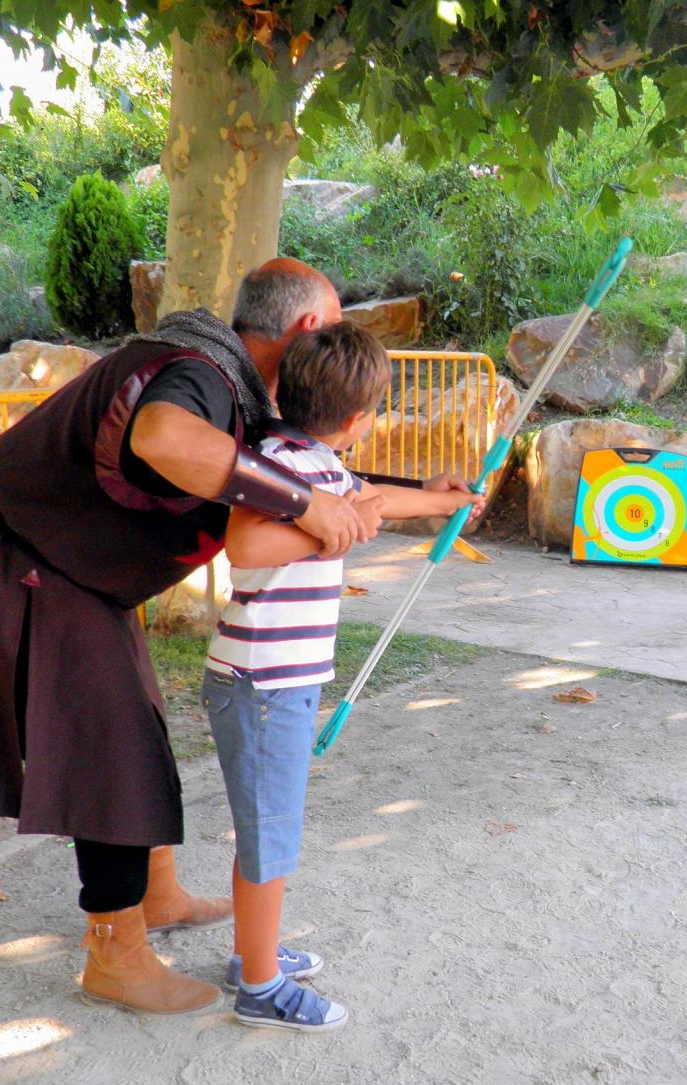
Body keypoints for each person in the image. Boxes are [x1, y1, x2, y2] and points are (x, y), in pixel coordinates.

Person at [0, 260, 470, 1016]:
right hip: (27, 555)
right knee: (111, 750)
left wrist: (427, 497)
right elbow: (164, 438)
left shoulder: (230, 386)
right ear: (306, 328)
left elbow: (328, 485)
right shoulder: (198, 371)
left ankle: (156, 896)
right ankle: (115, 954)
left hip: (68, 565)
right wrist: (305, 509)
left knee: (138, 729)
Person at [202, 321, 481, 1031]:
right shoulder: (284, 466)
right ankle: (260, 988)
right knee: (271, 836)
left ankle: (252, 954)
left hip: (270, 681)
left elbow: (374, 500)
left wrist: (443, 500)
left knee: (264, 829)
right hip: (263, 685)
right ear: (359, 419)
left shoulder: (311, 460)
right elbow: (246, 545)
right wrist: (331, 527)